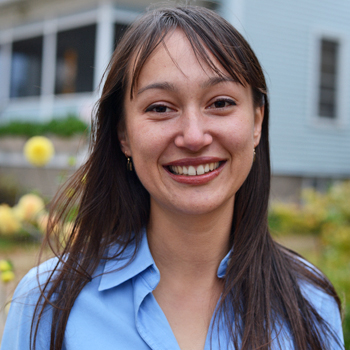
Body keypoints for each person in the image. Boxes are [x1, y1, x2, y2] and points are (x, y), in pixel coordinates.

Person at [1, 6, 344, 350]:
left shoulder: (310, 304)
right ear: (123, 134)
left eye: (220, 102)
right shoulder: (46, 304)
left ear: (256, 122)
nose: (194, 137)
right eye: (161, 108)